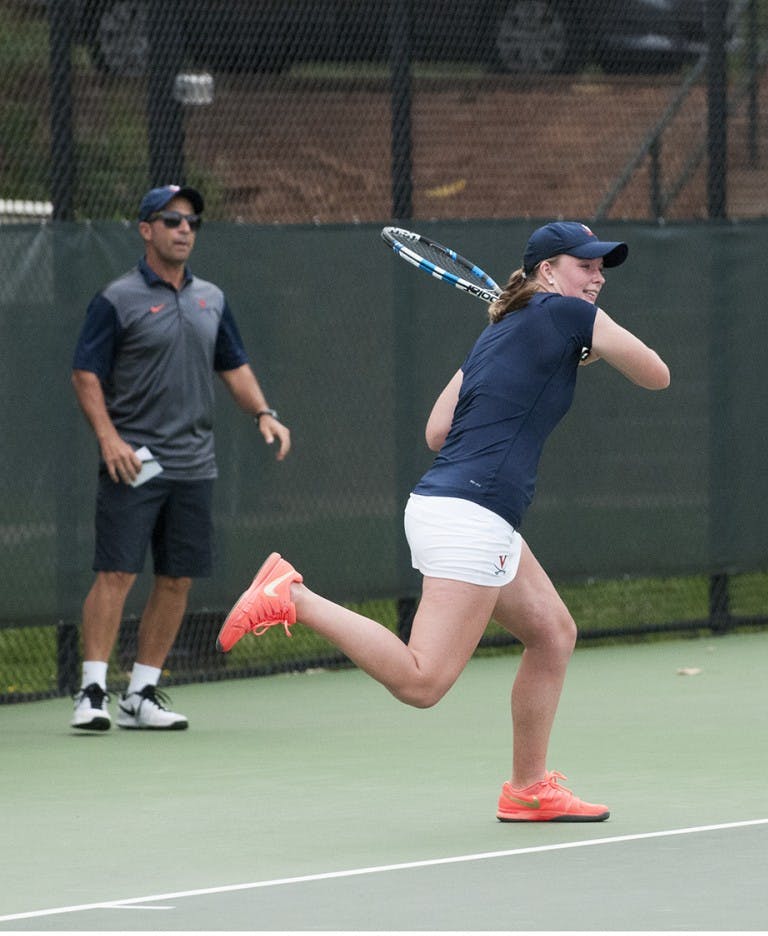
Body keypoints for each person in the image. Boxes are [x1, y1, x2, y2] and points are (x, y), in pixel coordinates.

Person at [217, 221, 669, 820]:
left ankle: (528, 788)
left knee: (553, 634)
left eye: (601, 267)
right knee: (422, 682)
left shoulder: (498, 333)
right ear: (547, 272)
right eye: (584, 265)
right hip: (472, 518)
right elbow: (656, 373)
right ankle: (294, 598)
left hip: (457, 507)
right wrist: (586, 343)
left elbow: (436, 431)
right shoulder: (568, 317)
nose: (597, 276)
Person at [70, 184, 291, 733]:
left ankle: (140, 694)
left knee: (176, 579)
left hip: (194, 464)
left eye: (192, 221)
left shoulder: (211, 298)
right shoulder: (116, 299)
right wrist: (109, 439)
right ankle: (92, 691)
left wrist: (263, 413)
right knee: (117, 572)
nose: (184, 229)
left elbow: (233, 364)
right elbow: (85, 374)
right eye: (172, 220)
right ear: (146, 230)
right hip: (134, 461)